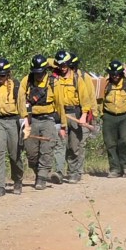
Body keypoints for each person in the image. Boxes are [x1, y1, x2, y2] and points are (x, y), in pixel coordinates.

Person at [20, 54, 67, 190]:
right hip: (31, 119)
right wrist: (23, 118)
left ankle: (41, 178)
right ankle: (40, 172)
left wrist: (63, 125)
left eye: (41, 73)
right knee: (31, 153)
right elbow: (20, 99)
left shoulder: (53, 82)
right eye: (36, 73)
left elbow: (60, 104)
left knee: (47, 149)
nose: (38, 76)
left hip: (48, 119)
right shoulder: (27, 80)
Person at [53, 50, 95, 183]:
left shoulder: (78, 79)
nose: (62, 67)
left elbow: (85, 100)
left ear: (69, 64)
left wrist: (83, 116)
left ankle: (74, 172)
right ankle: (59, 172)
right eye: (60, 65)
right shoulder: (54, 79)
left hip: (74, 114)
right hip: (60, 114)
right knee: (59, 144)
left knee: (74, 145)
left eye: (65, 64)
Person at [0, 57, 24, 196]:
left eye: (2, 75)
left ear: (8, 73)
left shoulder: (16, 85)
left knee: (15, 154)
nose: (0, 78)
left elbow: (21, 105)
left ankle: (17, 180)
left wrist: (24, 123)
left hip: (14, 121)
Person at [101, 60, 126, 178]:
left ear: (121, 73)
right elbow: (99, 100)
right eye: (113, 74)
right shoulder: (106, 84)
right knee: (110, 143)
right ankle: (114, 168)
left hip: (125, 116)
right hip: (109, 116)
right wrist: (99, 114)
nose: (115, 76)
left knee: (124, 140)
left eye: (117, 74)